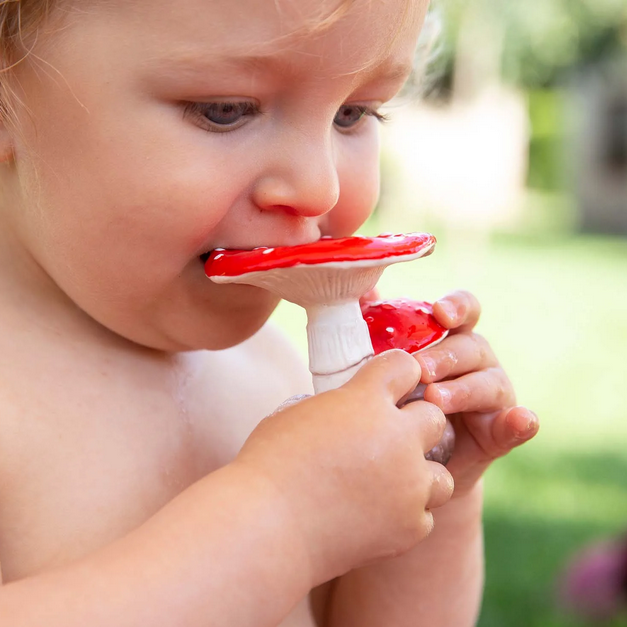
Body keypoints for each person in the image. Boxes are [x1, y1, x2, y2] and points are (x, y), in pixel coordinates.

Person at [0, 0, 539, 625]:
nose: (320, 187)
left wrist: (431, 494)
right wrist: (281, 523)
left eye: (353, 113)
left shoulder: (277, 376)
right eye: (224, 109)